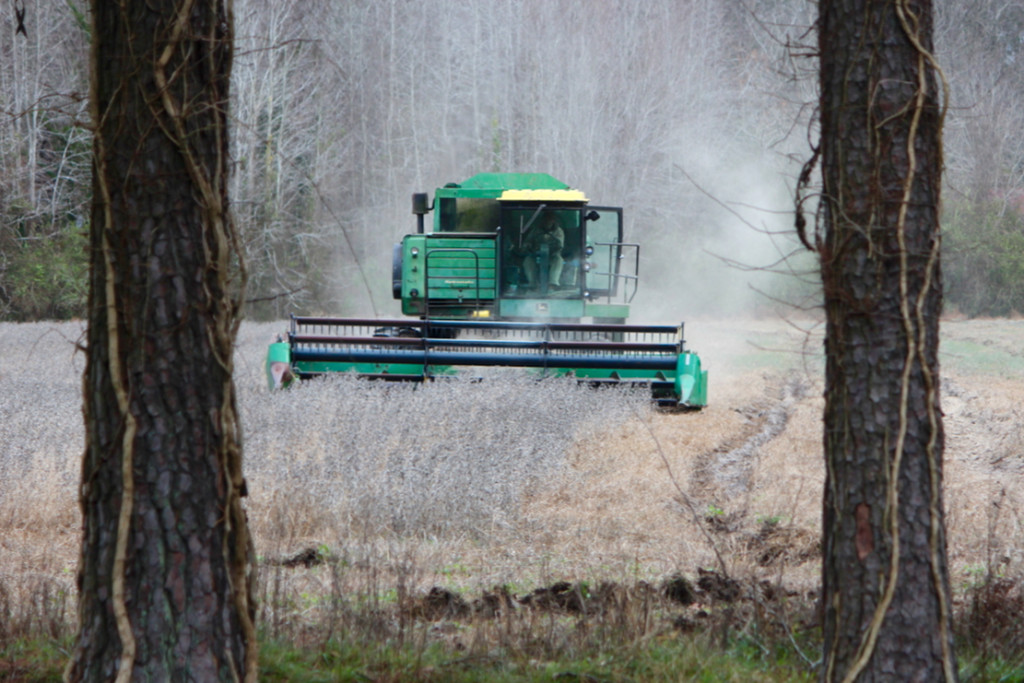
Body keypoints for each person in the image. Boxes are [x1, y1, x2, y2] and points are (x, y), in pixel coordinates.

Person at [521, 212, 564, 290]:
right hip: (537, 255)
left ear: (553, 221)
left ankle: (553, 283)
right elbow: (527, 241)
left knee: (559, 260)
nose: (547, 221)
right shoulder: (535, 230)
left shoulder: (558, 231)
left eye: (550, 220)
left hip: (552, 256)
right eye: (545, 219)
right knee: (527, 260)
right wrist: (527, 245)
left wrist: (554, 245)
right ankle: (532, 284)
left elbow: (560, 244)